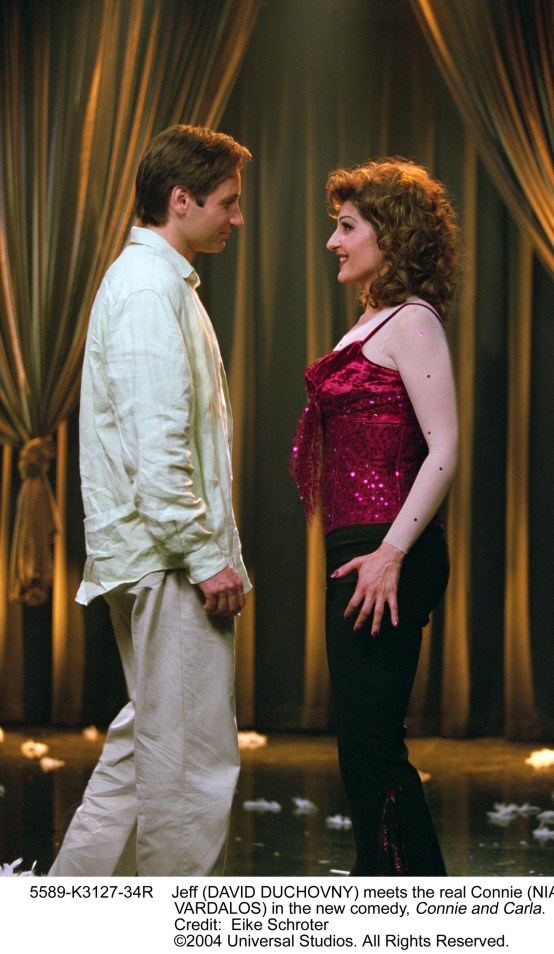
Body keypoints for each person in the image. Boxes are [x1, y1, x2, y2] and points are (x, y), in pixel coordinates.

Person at [49, 125, 252, 877]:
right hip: (166, 559)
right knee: (190, 768)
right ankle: (174, 922)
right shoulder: (146, 288)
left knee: (146, 751)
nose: (237, 218)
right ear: (181, 199)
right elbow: (156, 444)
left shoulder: (158, 284)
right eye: (228, 202)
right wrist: (204, 556)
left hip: (157, 554)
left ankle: (65, 912)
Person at [290, 157, 459, 875]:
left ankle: (406, 903)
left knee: (372, 745)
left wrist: (391, 553)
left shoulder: (413, 322)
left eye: (347, 226)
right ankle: (386, 887)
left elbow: (444, 446)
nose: (333, 241)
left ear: (390, 235)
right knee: (363, 743)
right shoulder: (373, 320)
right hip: (364, 548)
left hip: (389, 549)